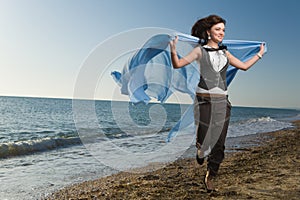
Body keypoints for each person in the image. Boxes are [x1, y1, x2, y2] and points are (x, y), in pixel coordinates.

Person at [169, 14, 265, 192]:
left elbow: (243, 66)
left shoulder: (225, 52)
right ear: (208, 32)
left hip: (222, 101)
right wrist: (173, 50)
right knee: (205, 136)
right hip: (204, 100)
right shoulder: (199, 51)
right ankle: (200, 148)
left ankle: (210, 174)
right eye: (218, 29)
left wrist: (259, 54)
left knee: (219, 143)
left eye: (223, 30)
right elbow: (178, 64)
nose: (221, 33)